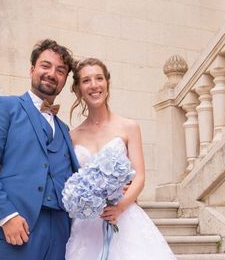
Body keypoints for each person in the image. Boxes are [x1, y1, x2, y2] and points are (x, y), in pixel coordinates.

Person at [0, 39, 80, 260]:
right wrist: (6, 216)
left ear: (64, 80)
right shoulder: (5, 106)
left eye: (60, 70)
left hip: (60, 229)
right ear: (32, 70)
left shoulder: (64, 128)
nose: (52, 73)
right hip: (18, 225)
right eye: (45, 65)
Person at [65, 57, 176, 259]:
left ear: (107, 83)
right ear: (78, 89)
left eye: (99, 78)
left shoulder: (129, 127)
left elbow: (140, 177)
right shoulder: (72, 136)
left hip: (124, 216)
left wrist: (119, 207)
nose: (94, 85)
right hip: (87, 224)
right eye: (86, 80)